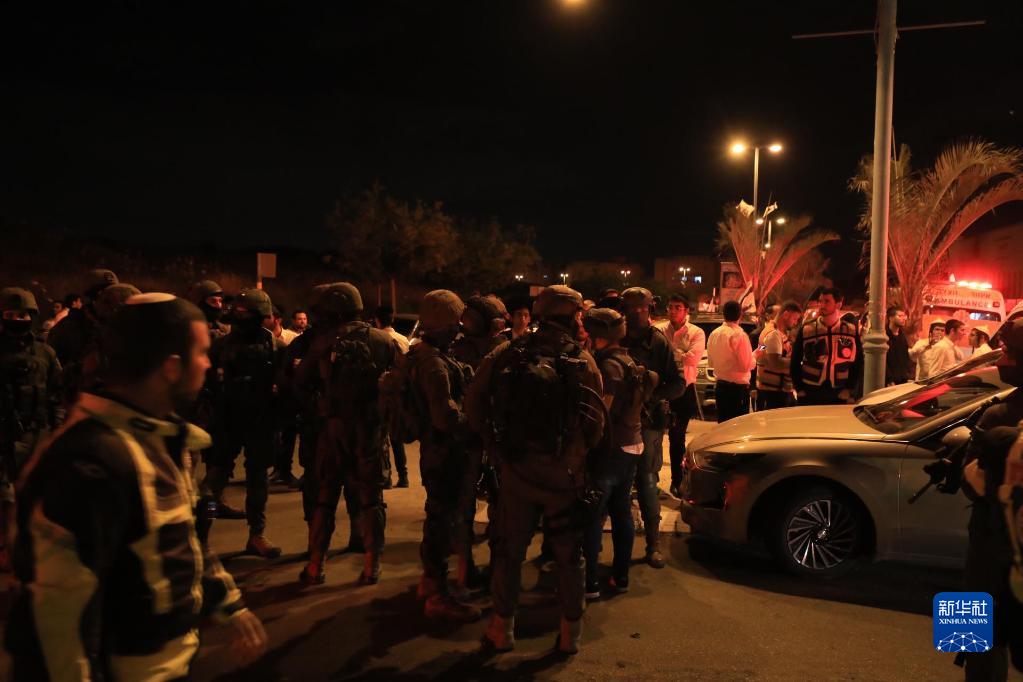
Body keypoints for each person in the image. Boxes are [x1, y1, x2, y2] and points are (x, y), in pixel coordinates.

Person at [5, 292, 266, 680]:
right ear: (172, 367)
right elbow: (53, 619)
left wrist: (228, 603)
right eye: (201, 353)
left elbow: (183, 540)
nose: (209, 364)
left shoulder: (161, 440)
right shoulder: (90, 462)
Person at [467, 285, 604, 654]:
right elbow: (596, 425)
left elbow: (474, 402)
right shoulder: (583, 361)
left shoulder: (508, 353)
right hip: (565, 477)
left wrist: (494, 446)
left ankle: (502, 630)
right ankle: (570, 636)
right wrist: (575, 455)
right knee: (569, 557)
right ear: (570, 316)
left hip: (518, 473)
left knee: (509, 552)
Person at [295, 282, 398, 586]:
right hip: (370, 432)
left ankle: (315, 566)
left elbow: (300, 381)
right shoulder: (383, 340)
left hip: (333, 430)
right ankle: (371, 565)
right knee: (372, 500)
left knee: (325, 498)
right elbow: (401, 381)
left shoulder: (323, 342)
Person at [407, 290, 483, 621]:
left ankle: (431, 582)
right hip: (445, 451)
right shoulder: (434, 363)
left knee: (438, 516)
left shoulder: (424, 355)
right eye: (455, 322)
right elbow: (445, 417)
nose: (459, 329)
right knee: (443, 520)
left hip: (437, 449)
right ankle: (438, 595)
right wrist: (476, 424)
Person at [959, 319, 1023, 680]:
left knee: (972, 638)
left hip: (988, 546)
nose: (1001, 360)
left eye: (1009, 352)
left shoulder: (998, 415)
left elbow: (971, 483)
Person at [582, 307, 657, 600]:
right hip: (632, 444)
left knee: (594, 514)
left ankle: (589, 582)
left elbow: (603, 411)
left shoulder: (610, 366)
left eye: (591, 335)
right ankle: (621, 576)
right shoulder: (628, 360)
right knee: (621, 510)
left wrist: (587, 441)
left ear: (600, 337)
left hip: (612, 449)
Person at [204, 288, 283, 558]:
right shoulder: (220, 346)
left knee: (258, 481)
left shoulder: (275, 346)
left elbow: (285, 383)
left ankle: (256, 533)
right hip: (227, 419)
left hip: (260, 420)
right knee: (214, 485)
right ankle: (202, 533)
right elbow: (206, 384)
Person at [620, 287, 684, 568]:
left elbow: (678, 384)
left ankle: (653, 543)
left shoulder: (658, 342)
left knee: (646, 481)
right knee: (615, 483)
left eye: (640, 307)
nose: (635, 312)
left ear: (649, 309)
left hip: (647, 422)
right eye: (630, 308)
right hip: (618, 421)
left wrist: (650, 396)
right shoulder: (616, 336)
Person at [0, 288, 62, 571]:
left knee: (34, 496)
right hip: (4, 437)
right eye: (10, 315)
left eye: (23, 315)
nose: (17, 320)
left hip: (36, 434)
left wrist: (57, 428)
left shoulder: (45, 352)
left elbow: (57, 393)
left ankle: (27, 548)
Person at [450, 294, 508, 591]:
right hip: (494, 437)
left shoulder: (455, 349)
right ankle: (497, 571)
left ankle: (464, 569)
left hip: (467, 437)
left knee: (464, 506)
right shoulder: (506, 351)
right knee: (501, 506)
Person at [654, 293, 704, 498]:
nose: (672, 311)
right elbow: (656, 358)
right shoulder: (659, 330)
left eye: (677, 307)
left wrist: (668, 352)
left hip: (684, 390)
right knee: (654, 435)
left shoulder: (696, 332)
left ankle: (677, 481)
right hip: (661, 388)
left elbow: (692, 359)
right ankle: (650, 480)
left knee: (677, 437)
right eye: (670, 307)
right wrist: (680, 353)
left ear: (686, 310)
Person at [47, 269, 119, 405]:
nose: (110, 301)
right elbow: (54, 376)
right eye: (103, 295)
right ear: (90, 298)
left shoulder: (119, 325)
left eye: (113, 294)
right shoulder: (68, 328)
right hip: (79, 404)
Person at [791, 287, 863, 405]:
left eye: (827, 301)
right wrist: (799, 388)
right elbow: (795, 360)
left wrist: (849, 388)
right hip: (810, 390)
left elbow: (857, 362)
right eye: (820, 301)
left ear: (838, 304)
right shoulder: (807, 329)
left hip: (838, 391)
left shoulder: (850, 330)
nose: (822, 305)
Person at [374, 304, 410, 488]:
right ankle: (403, 476)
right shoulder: (403, 339)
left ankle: (385, 476)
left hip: (381, 391)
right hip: (399, 392)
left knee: (381, 437)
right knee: (396, 436)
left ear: (377, 320)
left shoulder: (375, 338)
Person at [706, 300, 755, 421]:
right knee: (737, 426)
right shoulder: (739, 335)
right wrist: (756, 355)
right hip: (737, 390)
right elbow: (746, 365)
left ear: (724, 314)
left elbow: (711, 362)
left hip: (720, 388)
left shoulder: (714, 334)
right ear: (740, 315)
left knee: (723, 424)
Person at [756, 300, 802, 410]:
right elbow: (775, 362)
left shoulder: (771, 331)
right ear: (786, 315)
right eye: (794, 318)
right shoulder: (774, 334)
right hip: (775, 391)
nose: (795, 323)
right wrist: (799, 362)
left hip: (775, 389)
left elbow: (761, 351)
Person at [885, 305, 912, 386]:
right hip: (889, 380)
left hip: (902, 379)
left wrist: (907, 374)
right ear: (891, 318)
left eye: (904, 316)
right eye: (900, 316)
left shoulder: (902, 336)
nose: (903, 319)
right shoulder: (884, 335)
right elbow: (884, 360)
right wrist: (888, 379)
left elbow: (905, 357)